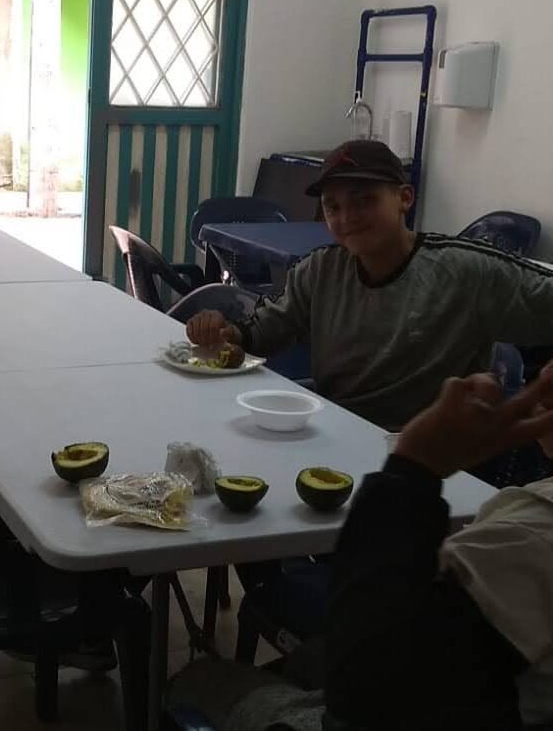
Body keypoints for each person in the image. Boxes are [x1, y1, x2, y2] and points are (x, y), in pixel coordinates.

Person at [167, 365, 553, 730]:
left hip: (387, 701)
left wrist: (416, 466)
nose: (546, 372)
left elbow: (367, 689)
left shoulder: (530, 537)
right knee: (306, 658)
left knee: (199, 681)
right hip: (457, 684)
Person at [187, 139, 553, 432]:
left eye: (365, 200)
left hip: (429, 455)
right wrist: (226, 334)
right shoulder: (320, 270)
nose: (347, 218)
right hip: (334, 436)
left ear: (404, 198)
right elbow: (262, 333)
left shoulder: (465, 271)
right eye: (333, 207)